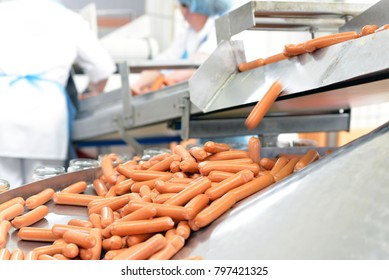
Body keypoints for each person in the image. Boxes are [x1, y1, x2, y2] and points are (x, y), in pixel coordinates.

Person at [0, 0, 116, 188]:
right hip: (46, 115)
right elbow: (102, 69)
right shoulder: (68, 18)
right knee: (43, 193)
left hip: (3, 111)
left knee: (3, 192)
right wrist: (90, 92)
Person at [131, 0, 232, 95]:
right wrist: (138, 85)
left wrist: (161, 83)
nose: (180, 9)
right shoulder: (188, 35)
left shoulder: (216, 29)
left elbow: (202, 62)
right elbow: (163, 62)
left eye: (182, 4)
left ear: (191, 7)